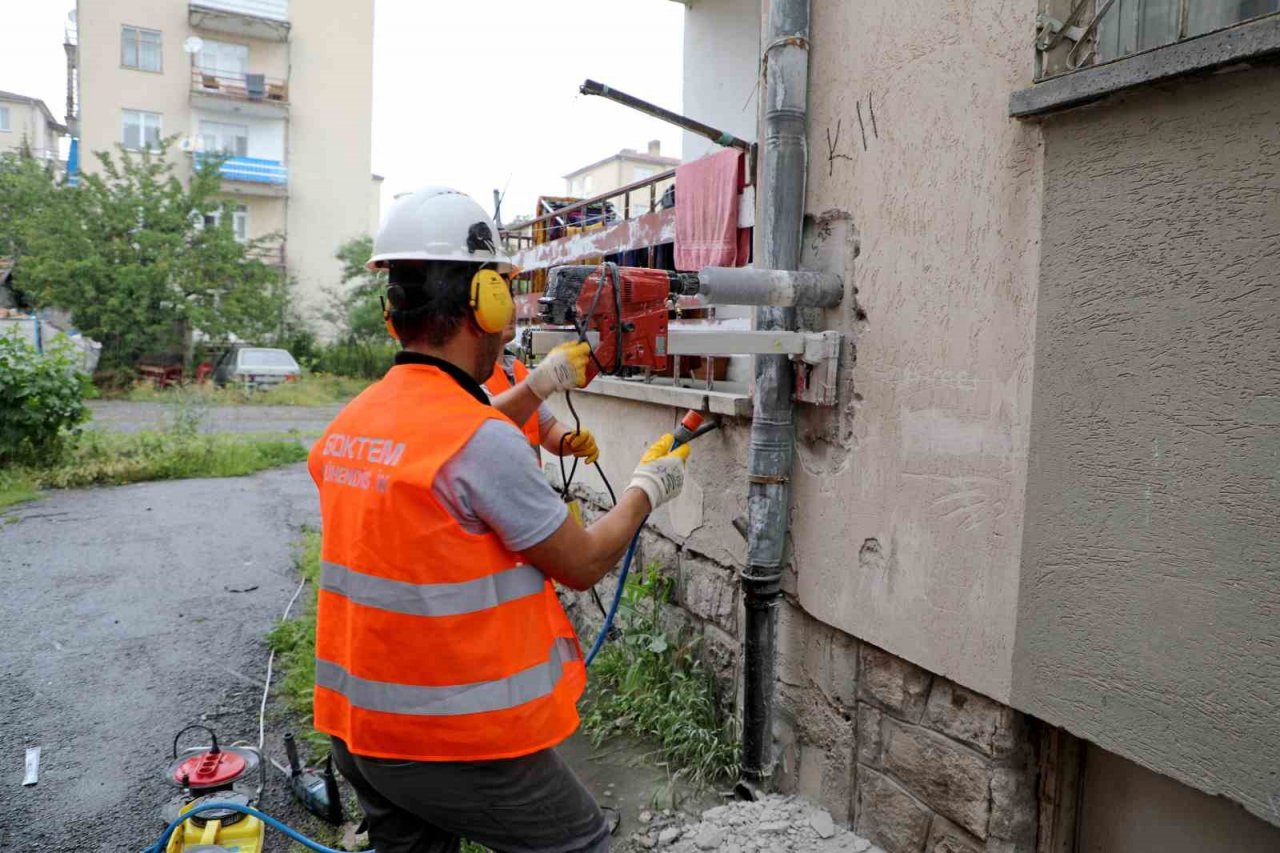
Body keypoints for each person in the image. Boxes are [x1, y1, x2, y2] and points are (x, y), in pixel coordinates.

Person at [307, 186, 691, 853]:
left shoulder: (353, 423)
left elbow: (455, 447)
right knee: (582, 844)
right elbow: (582, 562)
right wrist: (647, 487)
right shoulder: (477, 440)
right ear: (483, 303)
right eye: (505, 295)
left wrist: (538, 387)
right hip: (449, 739)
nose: (510, 317)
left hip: (357, 728)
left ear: (392, 311)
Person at [483, 313, 599, 464]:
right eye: (499, 301)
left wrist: (570, 439)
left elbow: (548, 430)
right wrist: (543, 381)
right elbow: (483, 423)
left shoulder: (517, 369)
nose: (510, 309)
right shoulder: (467, 375)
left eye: (510, 300)